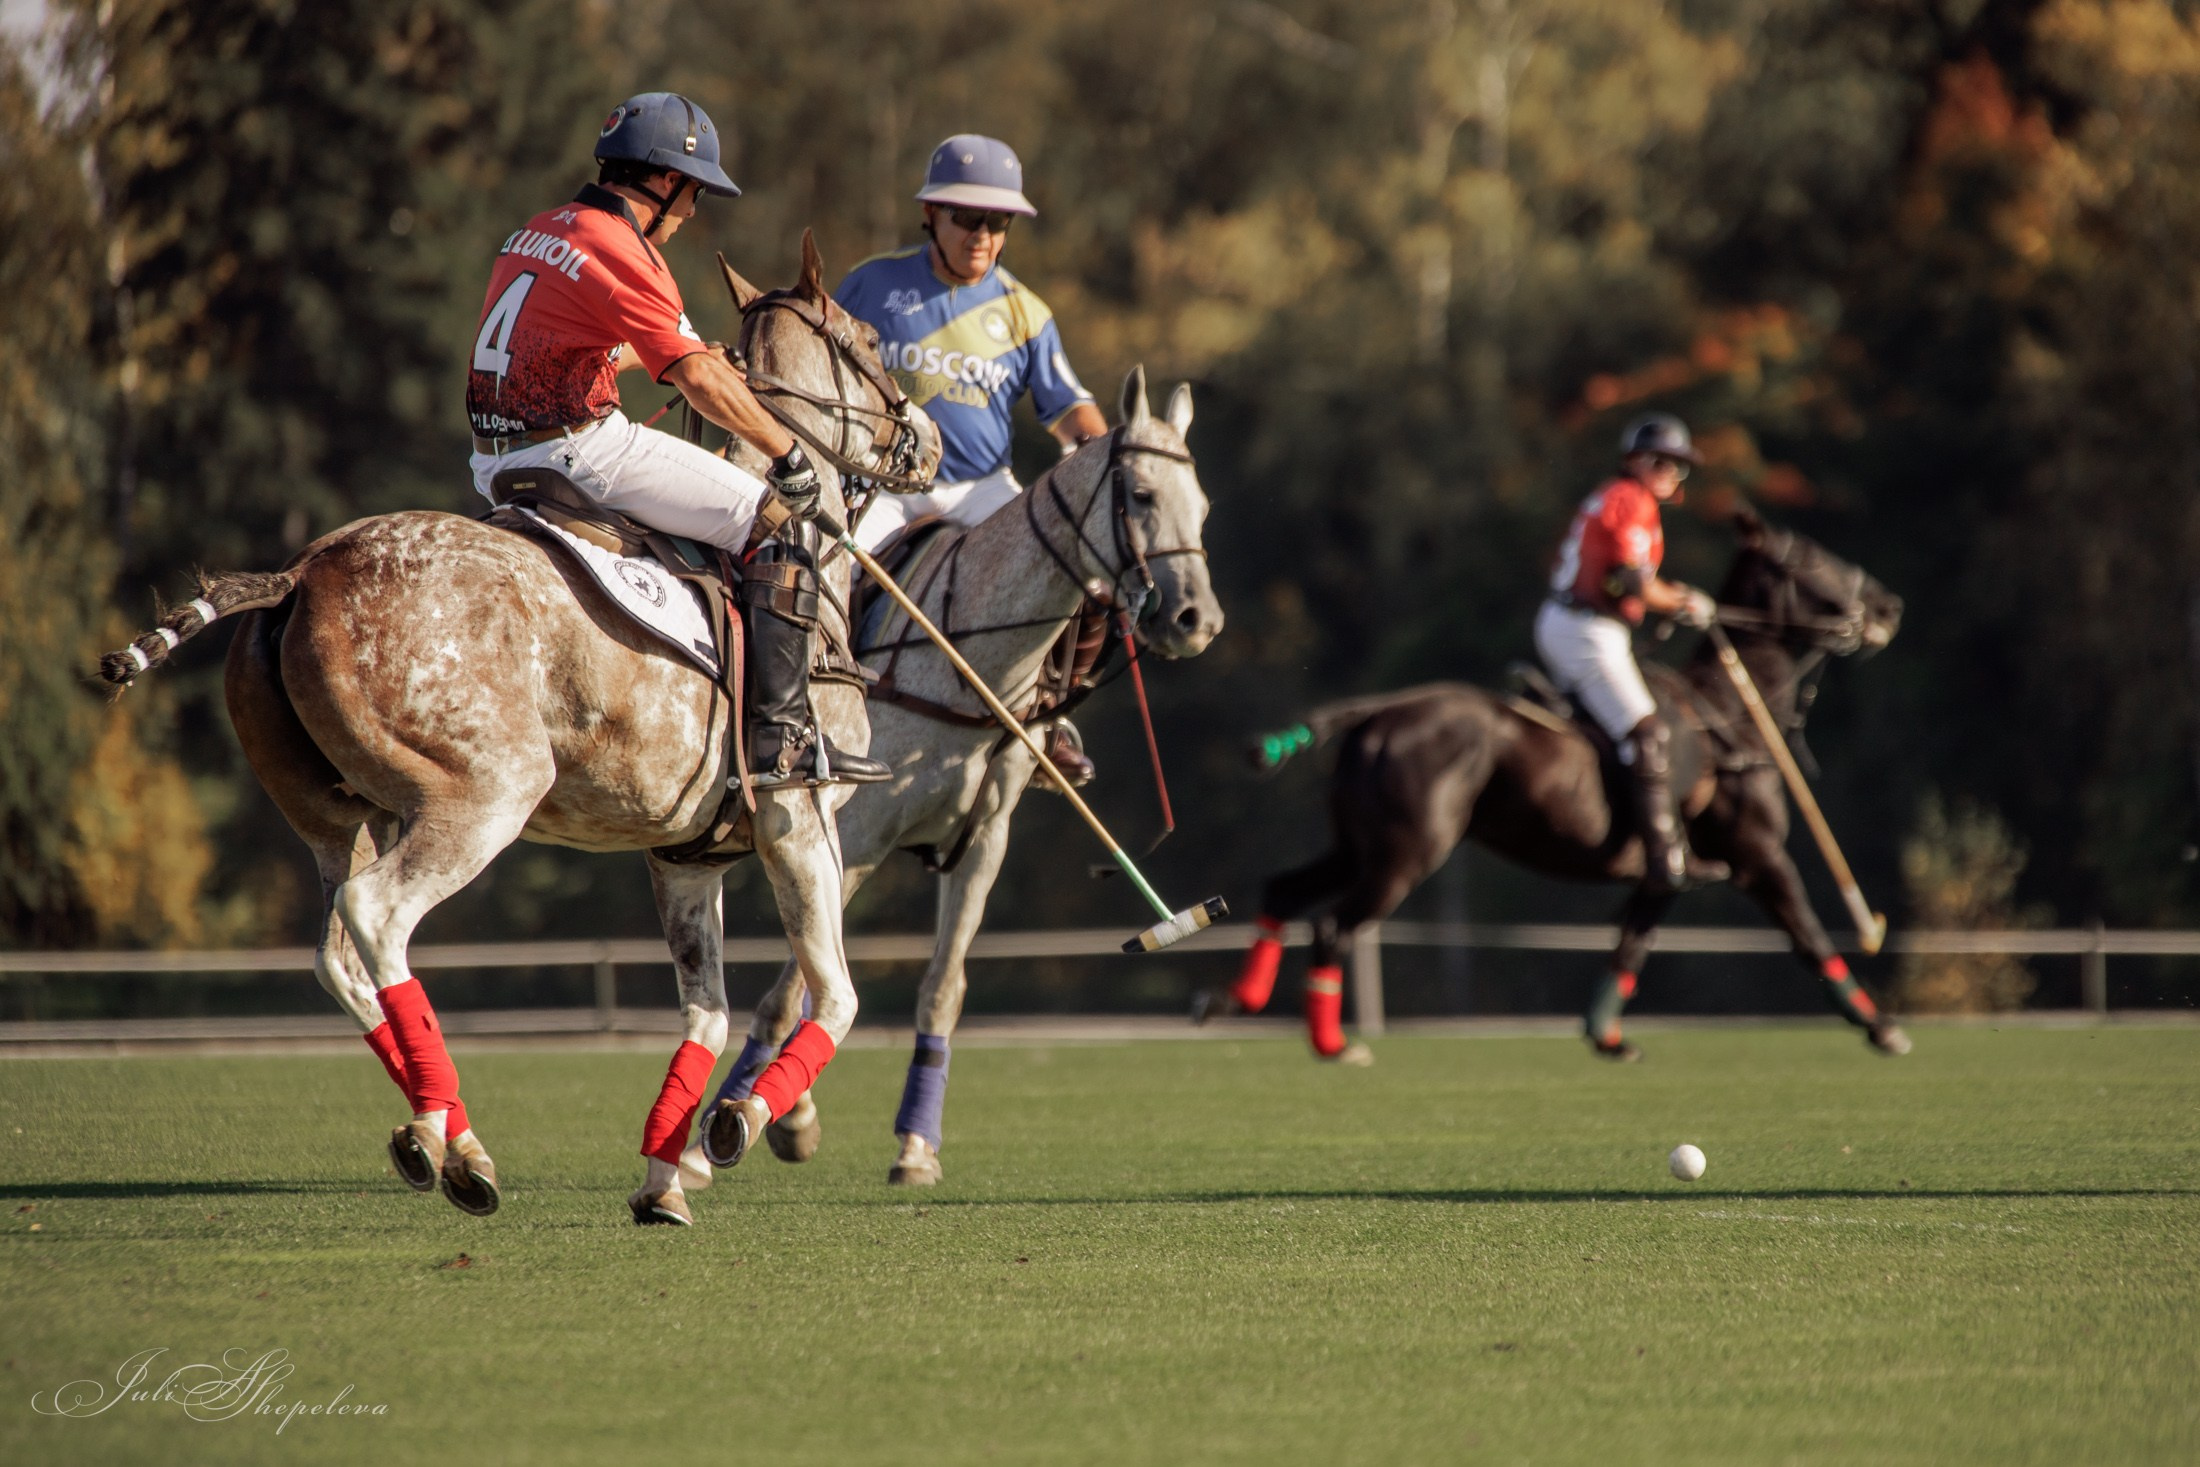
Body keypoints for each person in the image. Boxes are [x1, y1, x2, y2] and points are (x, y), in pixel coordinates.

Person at [465, 91, 886, 788]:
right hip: (582, 449)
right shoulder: (624, 247)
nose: (692, 216)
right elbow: (694, 377)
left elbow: (581, 349)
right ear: (665, 183)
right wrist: (786, 452)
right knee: (776, 524)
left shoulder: (539, 230)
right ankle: (780, 739)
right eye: (695, 196)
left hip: (492, 459)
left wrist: (672, 355)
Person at [834, 134, 1112, 786]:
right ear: (932, 214)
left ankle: (1046, 719)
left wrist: (1111, 454)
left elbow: (1070, 408)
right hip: (885, 486)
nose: (982, 235)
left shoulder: (1024, 312)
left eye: (998, 222)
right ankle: (817, 711)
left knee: (1084, 579)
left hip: (980, 489)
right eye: (968, 219)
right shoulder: (874, 284)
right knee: (827, 572)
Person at [1535, 413, 1730, 894]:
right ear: (1635, 461)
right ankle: (1666, 857)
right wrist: (1683, 601)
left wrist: (1670, 596)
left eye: (1679, 466)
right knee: (1648, 732)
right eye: (1661, 462)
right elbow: (1632, 581)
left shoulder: (1625, 497)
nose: (1670, 473)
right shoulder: (1630, 500)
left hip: (1585, 625)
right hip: (1584, 629)